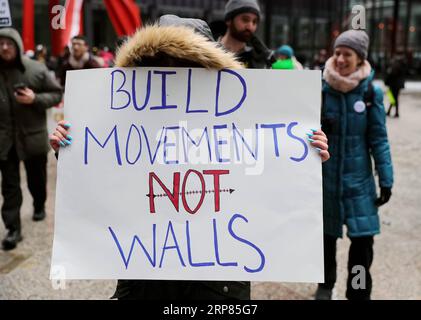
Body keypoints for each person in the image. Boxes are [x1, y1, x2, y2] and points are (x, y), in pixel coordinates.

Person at [49, 15, 330, 300]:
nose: (175, 72)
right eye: (165, 61)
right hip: (145, 269)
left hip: (218, 275)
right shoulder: (124, 117)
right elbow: (102, 182)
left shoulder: (236, 117)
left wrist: (304, 155)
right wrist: (73, 153)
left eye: (186, 64)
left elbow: (268, 183)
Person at [317, 30, 394, 300]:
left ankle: (358, 292)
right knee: (324, 240)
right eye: (337, 53)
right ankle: (325, 286)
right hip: (325, 180)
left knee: (362, 244)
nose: (339, 59)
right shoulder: (320, 89)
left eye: (346, 54)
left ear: (360, 58)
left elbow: (379, 139)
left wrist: (386, 179)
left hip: (359, 181)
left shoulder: (371, 92)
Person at [0, 28, 63, 250]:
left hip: (32, 137)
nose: (4, 47)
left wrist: (35, 98)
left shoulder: (36, 69)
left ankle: (39, 204)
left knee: (37, 179)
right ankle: (13, 229)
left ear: (17, 45)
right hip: (5, 141)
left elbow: (57, 93)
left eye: (9, 43)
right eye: (1, 43)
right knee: (9, 186)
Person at [219, 0, 275, 69]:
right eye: (245, 19)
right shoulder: (207, 52)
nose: (250, 26)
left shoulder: (262, 59)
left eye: (254, 22)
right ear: (229, 20)